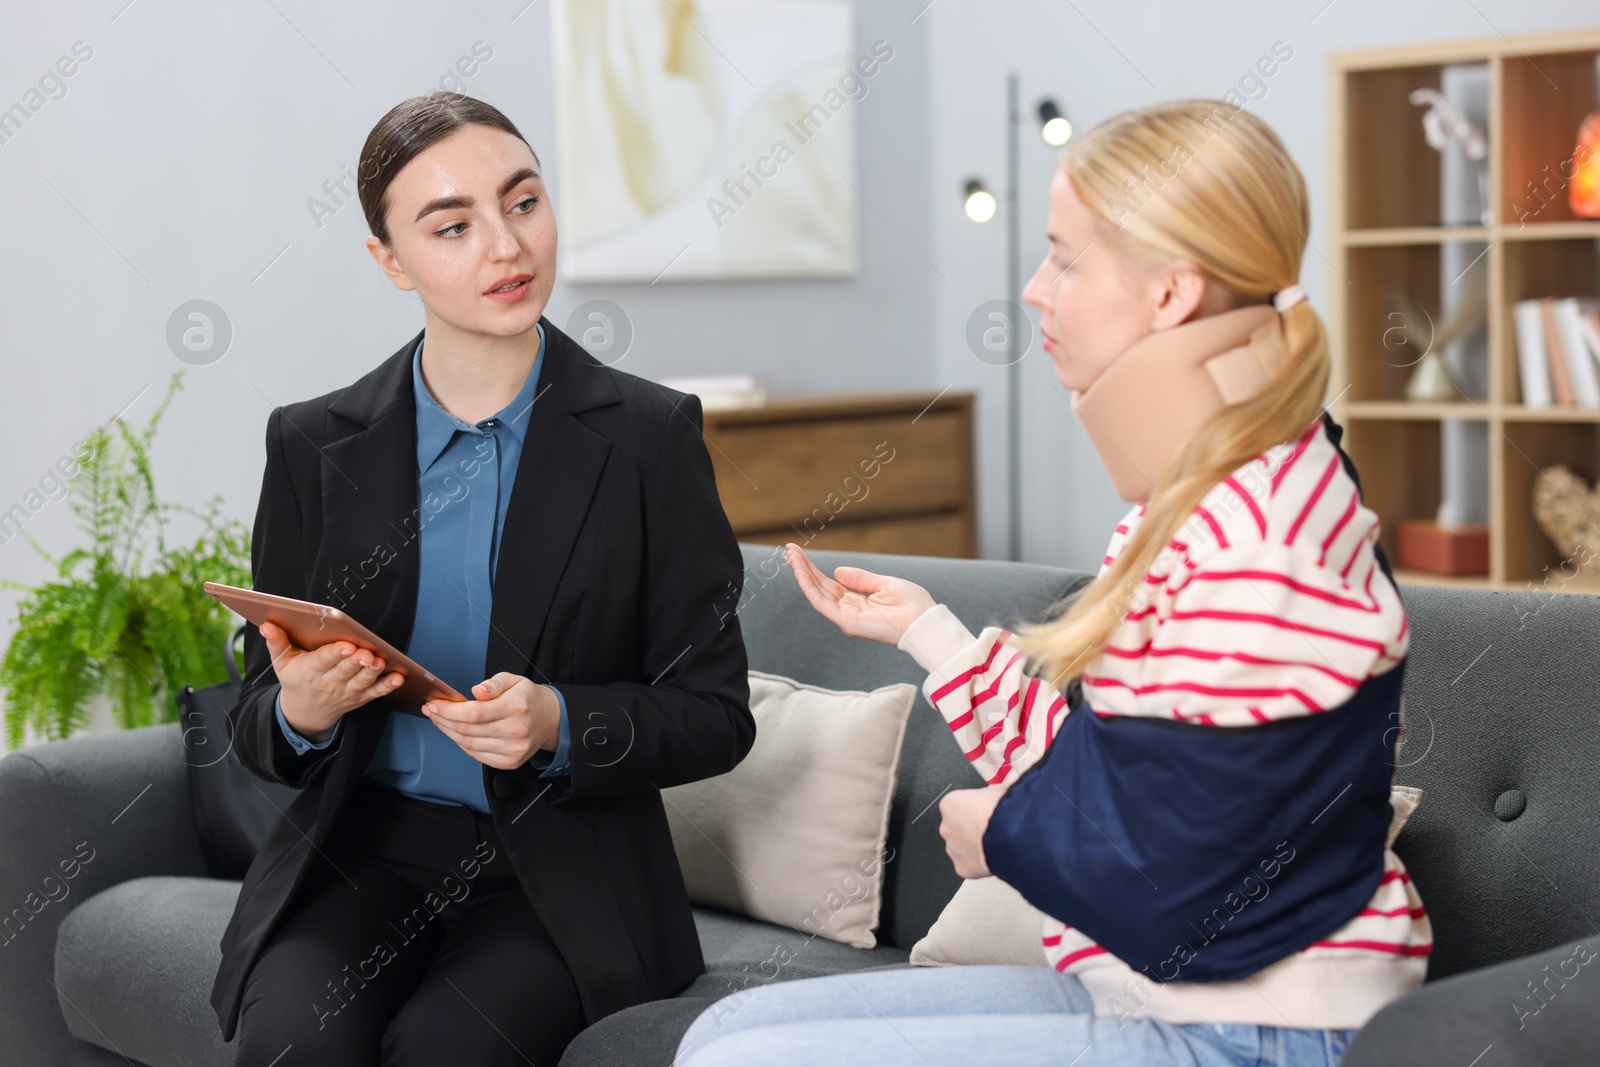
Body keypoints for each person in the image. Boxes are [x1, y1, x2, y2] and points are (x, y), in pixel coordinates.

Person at [673, 99, 1427, 1067]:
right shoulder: (1201, 497)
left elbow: (1177, 888)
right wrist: (931, 633)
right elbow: (1113, 774)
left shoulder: (1261, 535)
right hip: (1160, 987)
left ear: (1169, 296)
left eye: (1065, 258)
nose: (1035, 290)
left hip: (1263, 1023)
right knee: (721, 1031)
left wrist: (1005, 833)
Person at [211, 92, 755, 1066]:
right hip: (362, 848)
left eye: (524, 202)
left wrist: (555, 719)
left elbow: (716, 714)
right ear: (390, 261)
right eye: (452, 226)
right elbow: (262, 726)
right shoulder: (311, 443)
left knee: (444, 1047)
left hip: (560, 865)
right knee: (293, 1040)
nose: (505, 247)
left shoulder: (648, 438)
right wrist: (299, 709)